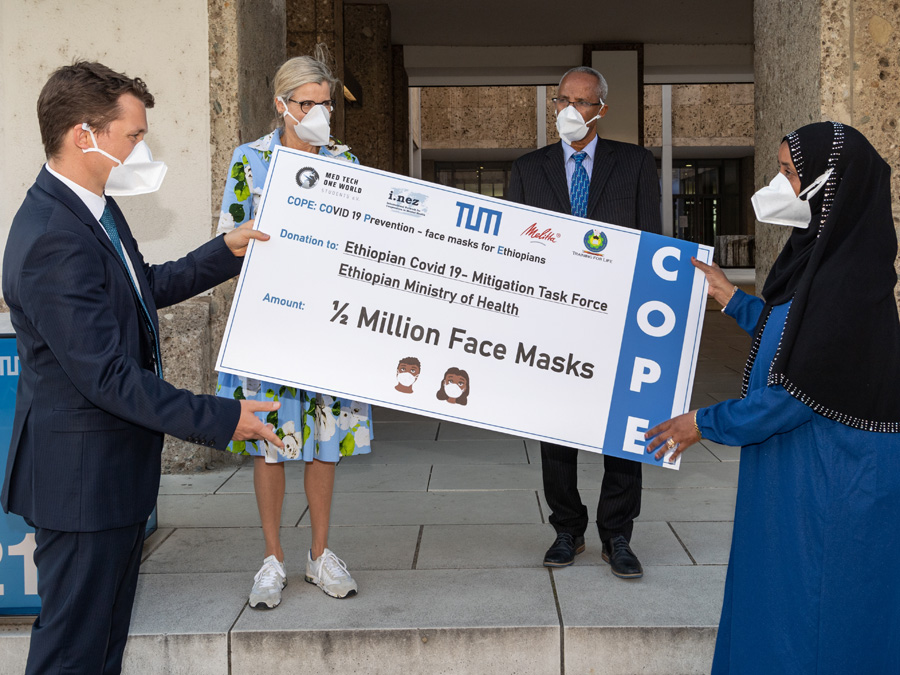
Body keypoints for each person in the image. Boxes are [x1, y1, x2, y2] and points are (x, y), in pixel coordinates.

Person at [0, 61, 282, 675]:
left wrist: (223, 253)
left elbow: (140, 286)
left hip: (111, 477)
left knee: (104, 643)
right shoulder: (53, 234)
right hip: (81, 485)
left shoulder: (92, 208)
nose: (141, 148)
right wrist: (220, 416)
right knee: (72, 652)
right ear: (84, 135)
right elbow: (105, 376)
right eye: (133, 135)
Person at [646, 121, 900, 673]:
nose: (776, 184)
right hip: (800, 469)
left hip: (832, 480)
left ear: (826, 186)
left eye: (788, 173)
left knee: (816, 610)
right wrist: (732, 298)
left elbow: (795, 394)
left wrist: (702, 424)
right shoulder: (820, 262)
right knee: (781, 596)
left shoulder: (848, 283)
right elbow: (794, 340)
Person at [215, 45, 372, 608]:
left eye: (326, 103)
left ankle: (321, 555)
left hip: (327, 325)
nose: (319, 114)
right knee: (270, 443)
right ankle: (273, 558)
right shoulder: (248, 160)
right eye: (308, 103)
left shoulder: (346, 161)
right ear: (281, 104)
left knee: (324, 441)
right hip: (270, 324)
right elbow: (230, 239)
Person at [508, 66, 661, 578]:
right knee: (558, 428)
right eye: (562, 101)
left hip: (616, 319)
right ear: (552, 105)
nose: (570, 111)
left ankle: (617, 534)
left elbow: (651, 244)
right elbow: (512, 250)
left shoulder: (636, 164)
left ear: (602, 109)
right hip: (552, 318)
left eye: (583, 102)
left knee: (621, 429)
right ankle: (567, 529)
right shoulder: (528, 170)